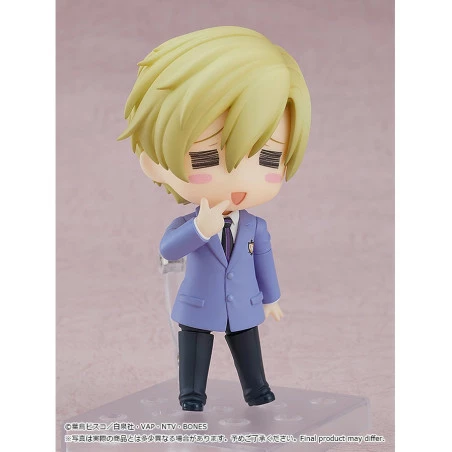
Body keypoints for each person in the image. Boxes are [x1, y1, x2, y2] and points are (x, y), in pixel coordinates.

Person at [118, 26, 311, 411]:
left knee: (247, 345)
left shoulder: (256, 228)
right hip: (196, 305)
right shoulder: (190, 224)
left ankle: (257, 391)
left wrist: (271, 298)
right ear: (155, 164)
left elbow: (264, 263)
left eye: (269, 158)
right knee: (194, 348)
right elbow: (168, 249)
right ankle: (191, 396)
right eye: (206, 158)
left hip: (244, 305)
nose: (241, 179)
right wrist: (199, 229)